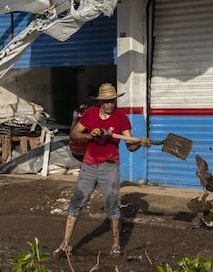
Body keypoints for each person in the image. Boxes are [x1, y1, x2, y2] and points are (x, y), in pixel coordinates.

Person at [54, 83, 151, 258]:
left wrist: (140, 143)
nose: (110, 105)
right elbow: (75, 134)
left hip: (110, 165)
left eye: (112, 101)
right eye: (106, 101)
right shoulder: (90, 114)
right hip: (89, 165)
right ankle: (65, 244)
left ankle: (115, 246)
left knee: (113, 206)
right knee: (76, 203)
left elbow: (130, 146)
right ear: (100, 102)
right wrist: (90, 135)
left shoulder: (121, 119)